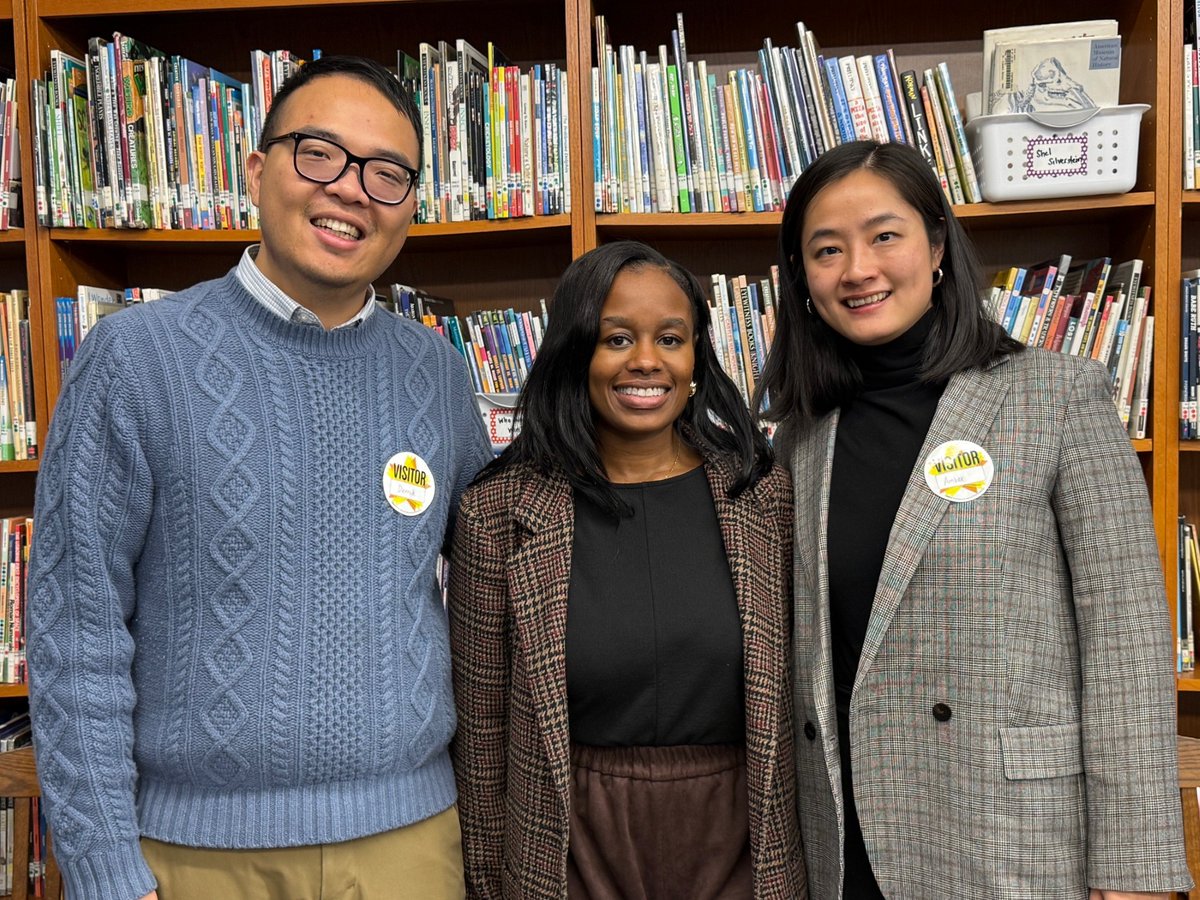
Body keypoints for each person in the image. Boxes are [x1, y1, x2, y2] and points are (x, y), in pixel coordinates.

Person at [27, 55, 492, 900]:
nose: (350, 189)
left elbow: (503, 573)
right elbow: (75, 630)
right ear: (254, 170)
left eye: (387, 174)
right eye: (319, 154)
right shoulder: (135, 359)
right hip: (192, 855)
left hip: (412, 845)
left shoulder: (435, 371)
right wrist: (103, 867)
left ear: (411, 207)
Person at [756, 139, 1192, 900]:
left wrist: (1135, 867)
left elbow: (1126, 644)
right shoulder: (799, 437)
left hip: (1009, 834)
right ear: (802, 277)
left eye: (884, 236)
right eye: (827, 250)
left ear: (935, 248)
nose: (858, 268)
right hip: (846, 842)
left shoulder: (1056, 396)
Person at [447, 240, 805, 899]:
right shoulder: (496, 513)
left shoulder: (765, 495)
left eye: (670, 338)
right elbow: (482, 735)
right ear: (575, 351)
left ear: (695, 355)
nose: (646, 360)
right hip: (568, 850)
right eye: (616, 338)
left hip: (743, 843)